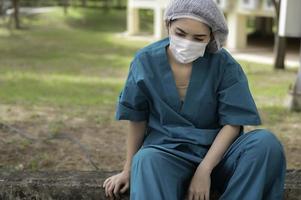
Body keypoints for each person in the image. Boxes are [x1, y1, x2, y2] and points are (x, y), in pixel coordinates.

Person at [102, 0, 287, 199]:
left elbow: (233, 122)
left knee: (266, 144)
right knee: (146, 159)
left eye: (198, 38)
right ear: (168, 25)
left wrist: (204, 170)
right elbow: (137, 117)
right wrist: (128, 170)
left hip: (219, 157)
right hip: (166, 155)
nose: (187, 42)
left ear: (211, 38)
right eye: (180, 34)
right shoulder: (145, 61)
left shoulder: (224, 65)